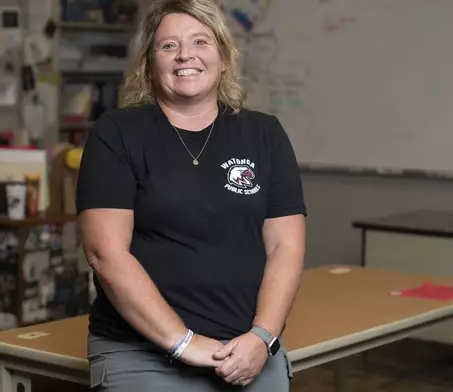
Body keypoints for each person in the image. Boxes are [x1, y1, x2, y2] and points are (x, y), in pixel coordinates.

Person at [76, 0, 306, 390]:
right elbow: (106, 254)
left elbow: (286, 246)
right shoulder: (116, 134)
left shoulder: (264, 135)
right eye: (168, 46)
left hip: (248, 348)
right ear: (149, 63)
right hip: (143, 353)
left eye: (200, 41)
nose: (185, 55)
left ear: (224, 57)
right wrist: (184, 343)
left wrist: (262, 337)